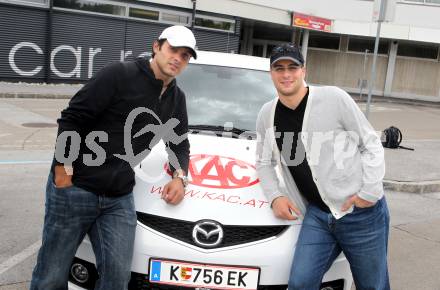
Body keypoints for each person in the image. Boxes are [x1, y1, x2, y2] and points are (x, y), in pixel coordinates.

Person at [30, 25, 196, 290]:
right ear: (157, 47)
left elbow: (179, 143)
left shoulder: (176, 98)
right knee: (51, 275)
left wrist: (180, 177)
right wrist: (64, 168)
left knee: (117, 279)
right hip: (77, 188)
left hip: (118, 197)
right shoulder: (120, 74)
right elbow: (72, 119)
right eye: (173, 49)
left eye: (185, 55)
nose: (177, 58)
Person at [255, 43, 390, 290]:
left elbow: (370, 143)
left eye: (292, 67)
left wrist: (368, 195)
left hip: (361, 214)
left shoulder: (333, 98)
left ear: (303, 71)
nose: (286, 74)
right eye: (279, 68)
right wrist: (275, 197)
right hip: (317, 215)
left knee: (373, 286)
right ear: (271, 73)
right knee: (300, 283)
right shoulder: (267, 114)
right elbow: (264, 162)